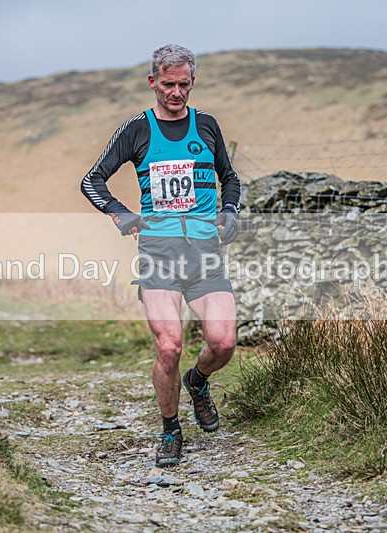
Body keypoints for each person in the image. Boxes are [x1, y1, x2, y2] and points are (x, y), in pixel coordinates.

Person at [80, 44, 241, 467]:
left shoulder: (206, 126)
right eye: (167, 84)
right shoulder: (137, 130)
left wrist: (229, 212)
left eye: (183, 84)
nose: (176, 92)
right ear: (153, 82)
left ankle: (199, 381)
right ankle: (170, 430)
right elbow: (92, 180)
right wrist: (121, 214)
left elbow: (230, 178)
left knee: (223, 343)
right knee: (169, 346)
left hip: (204, 252)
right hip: (158, 254)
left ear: (192, 81)